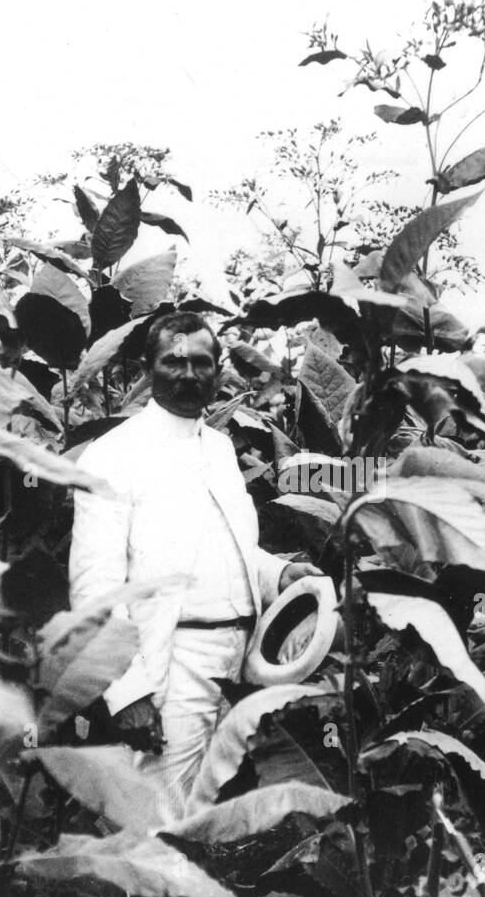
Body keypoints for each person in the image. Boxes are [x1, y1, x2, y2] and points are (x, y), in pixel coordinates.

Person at [70, 311, 322, 817]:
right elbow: (94, 587)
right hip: (171, 660)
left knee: (203, 807)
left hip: (238, 655)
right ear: (149, 368)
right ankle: (148, 896)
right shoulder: (112, 456)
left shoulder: (221, 448)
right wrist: (128, 691)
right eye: (174, 362)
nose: (189, 375)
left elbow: (222, 546)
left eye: (201, 363)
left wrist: (278, 574)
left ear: (217, 369)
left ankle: (185, 894)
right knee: (155, 816)